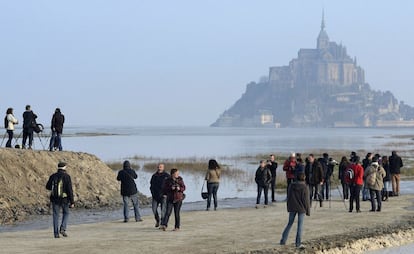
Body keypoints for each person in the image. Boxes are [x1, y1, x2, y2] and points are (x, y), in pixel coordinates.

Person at [280, 172, 310, 249]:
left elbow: (288, 197)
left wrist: (288, 207)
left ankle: (283, 240)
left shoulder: (291, 185)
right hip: (301, 208)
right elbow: (306, 200)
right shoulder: (305, 187)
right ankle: (298, 243)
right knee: (300, 225)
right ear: (303, 178)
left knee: (290, 223)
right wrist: (308, 210)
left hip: (292, 206)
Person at [45, 162, 75, 238]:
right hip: (64, 199)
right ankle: (63, 228)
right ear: (65, 167)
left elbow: (47, 187)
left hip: (54, 199)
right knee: (66, 213)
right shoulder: (67, 176)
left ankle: (56, 234)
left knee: (55, 216)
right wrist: (72, 201)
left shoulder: (52, 176)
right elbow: (69, 190)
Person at [150, 163, 169, 227]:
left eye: (160, 167)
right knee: (154, 209)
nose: (159, 168)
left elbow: (169, 186)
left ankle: (162, 223)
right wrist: (152, 193)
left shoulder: (166, 175)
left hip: (163, 196)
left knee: (163, 210)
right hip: (155, 196)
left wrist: (166, 194)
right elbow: (151, 186)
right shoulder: (154, 176)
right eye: (158, 167)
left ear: (163, 168)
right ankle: (157, 220)